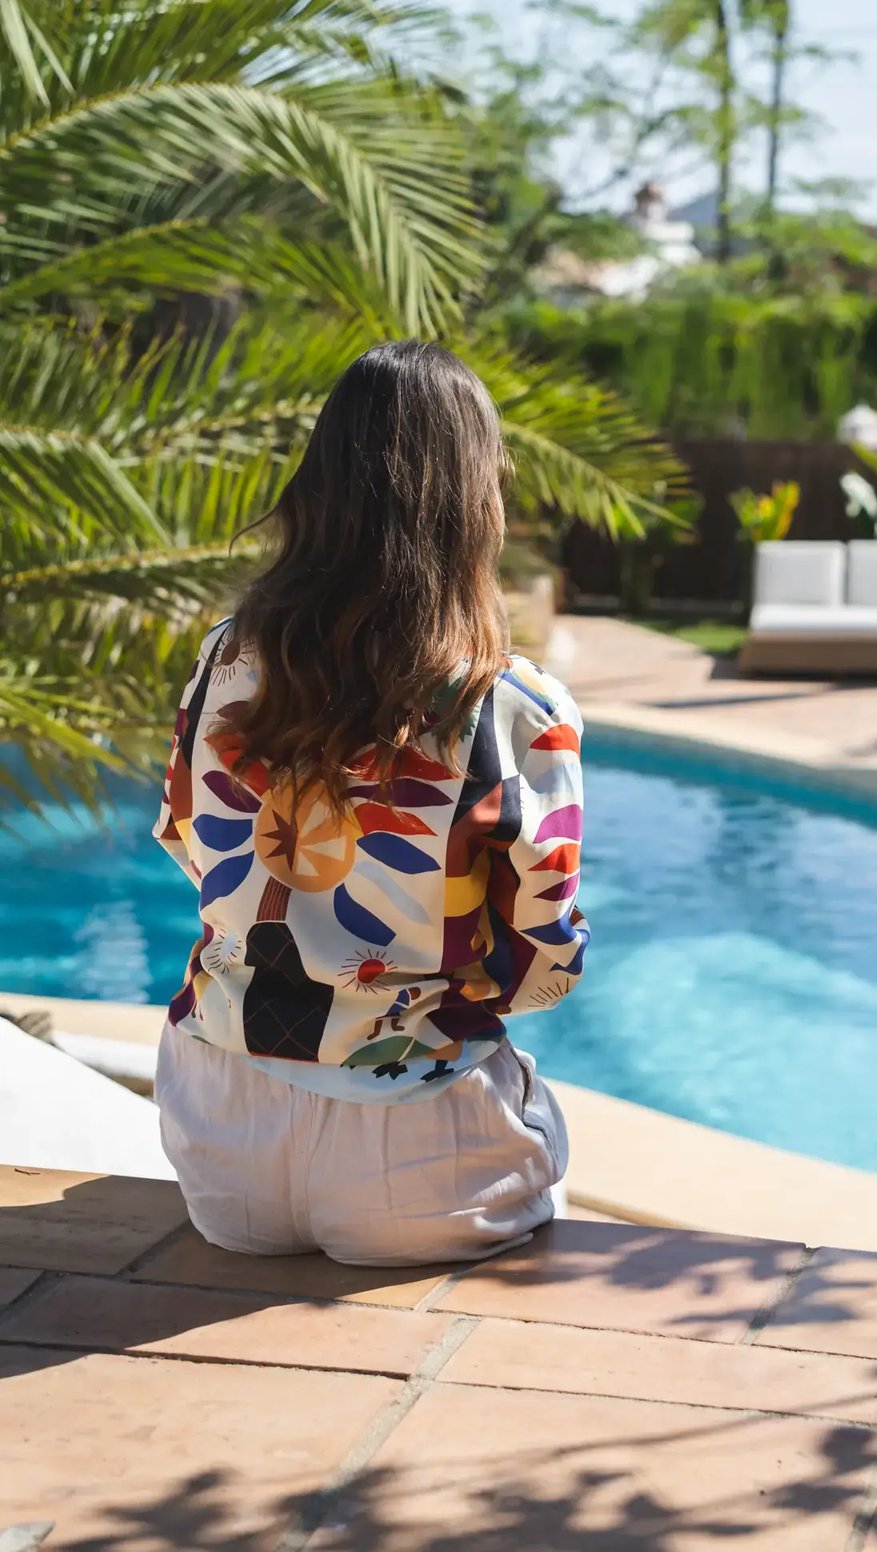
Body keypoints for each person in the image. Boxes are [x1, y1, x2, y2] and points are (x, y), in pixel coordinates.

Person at [152, 341, 588, 1265]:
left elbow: (187, 841)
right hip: (422, 1160)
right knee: (541, 1122)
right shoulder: (509, 706)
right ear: (474, 504)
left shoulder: (226, 659)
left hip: (222, 1149)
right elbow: (542, 959)